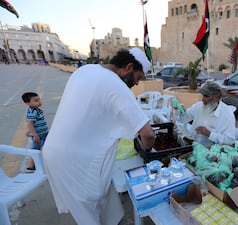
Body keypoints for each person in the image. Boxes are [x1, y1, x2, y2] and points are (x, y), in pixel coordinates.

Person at [42, 48, 156, 225]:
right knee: (90, 214)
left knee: (108, 202)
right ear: (128, 67)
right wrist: (147, 152)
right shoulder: (115, 84)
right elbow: (147, 134)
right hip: (73, 160)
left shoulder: (86, 70)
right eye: (138, 78)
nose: (136, 84)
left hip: (56, 150)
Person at [174, 81, 237, 147]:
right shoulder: (198, 106)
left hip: (211, 151)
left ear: (217, 97)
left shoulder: (227, 114)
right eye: (203, 96)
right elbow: (183, 119)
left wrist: (209, 134)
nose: (203, 99)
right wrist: (178, 110)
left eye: (206, 96)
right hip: (192, 145)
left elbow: (229, 140)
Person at [21, 92, 48, 172]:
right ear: (28, 103)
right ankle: (30, 167)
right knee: (35, 150)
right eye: (36, 100)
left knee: (40, 149)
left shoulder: (37, 110)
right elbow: (30, 124)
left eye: (39, 99)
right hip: (38, 135)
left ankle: (37, 163)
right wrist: (35, 135)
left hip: (44, 133)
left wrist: (29, 131)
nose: (39, 101)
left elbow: (34, 124)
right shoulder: (32, 112)